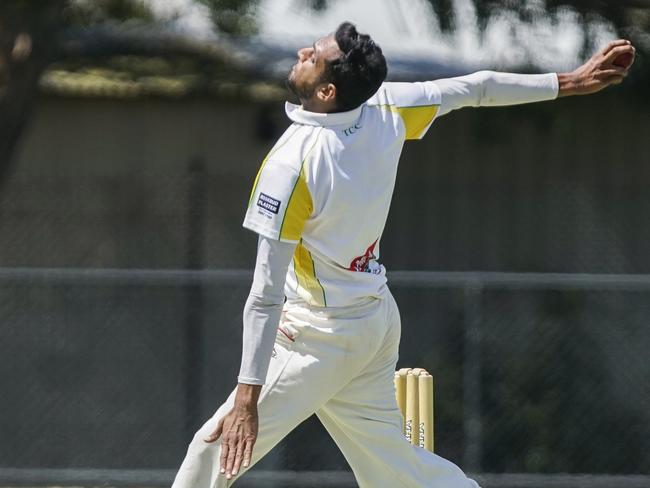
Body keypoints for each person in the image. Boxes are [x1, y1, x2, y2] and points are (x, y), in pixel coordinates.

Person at [172, 21, 635, 488]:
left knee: (210, 454)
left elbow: (265, 296)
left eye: (312, 56)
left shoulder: (292, 165)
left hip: (318, 336)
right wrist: (571, 82)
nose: (301, 50)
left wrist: (247, 404)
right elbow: (476, 88)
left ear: (328, 91)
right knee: (396, 471)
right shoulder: (386, 106)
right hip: (373, 321)